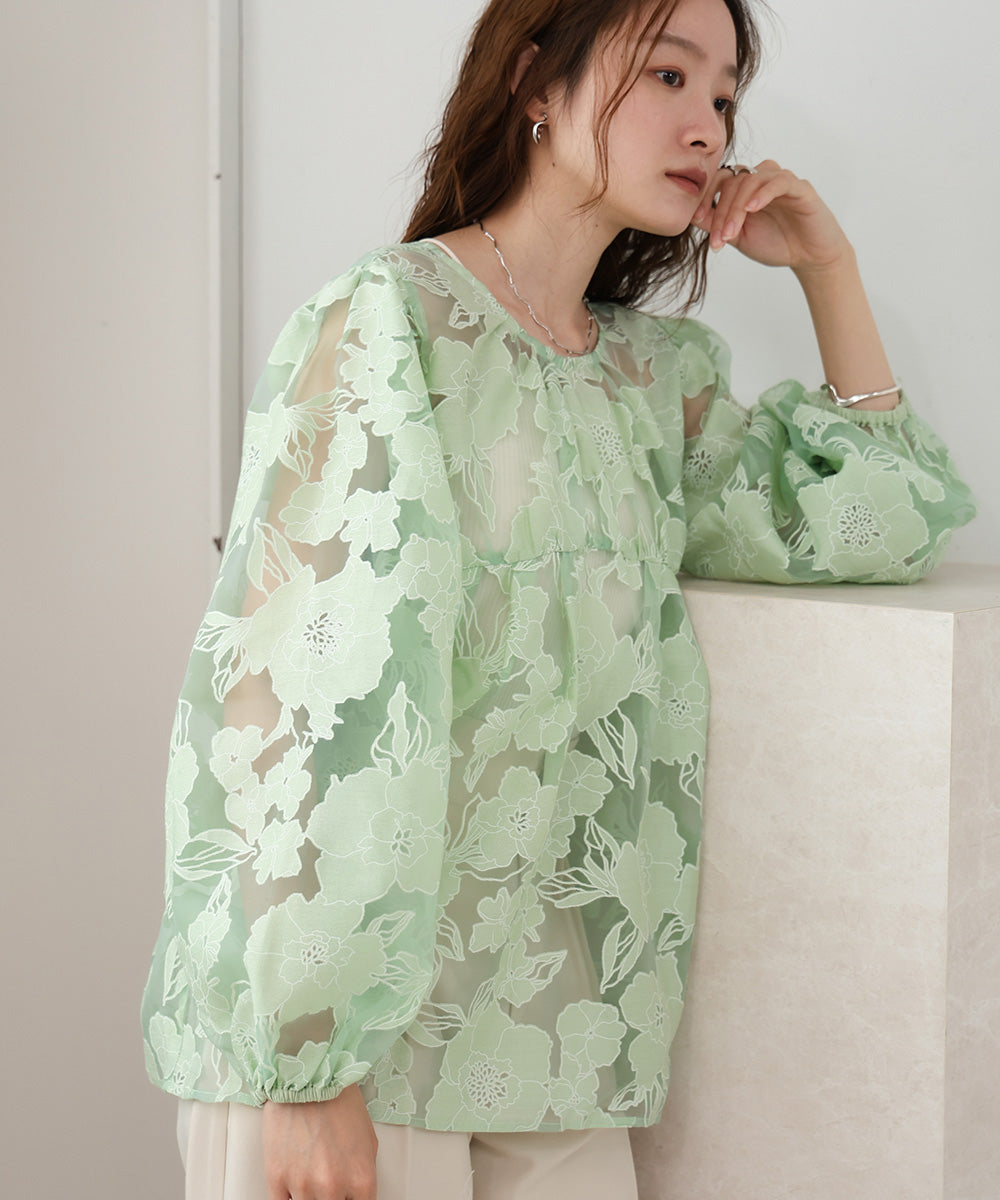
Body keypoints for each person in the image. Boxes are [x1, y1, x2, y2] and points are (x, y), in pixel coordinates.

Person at [141, 0, 976, 1196]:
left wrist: (828, 272)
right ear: (536, 82)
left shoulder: (651, 380)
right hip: (359, 1053)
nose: (708, 125)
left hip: (557, 1040)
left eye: (724, 95)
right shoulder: (392, 322)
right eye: (668, 76)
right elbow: (298, 701)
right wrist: (304, 1067)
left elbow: (877, 521)